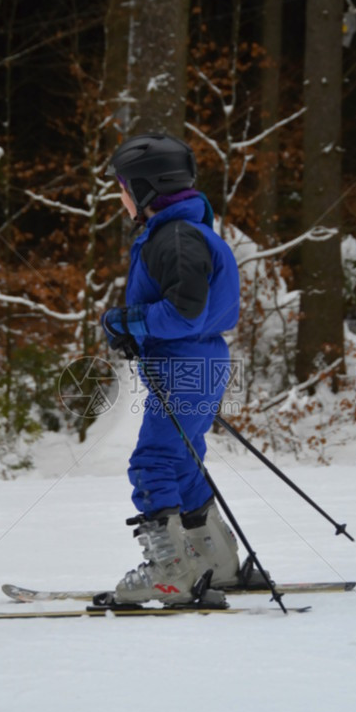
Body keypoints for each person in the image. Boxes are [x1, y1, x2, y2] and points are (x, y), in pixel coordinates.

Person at [101, 133, 242, 606]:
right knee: (182, 459)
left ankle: (171, 572)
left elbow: (183, 314)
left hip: (186, 362)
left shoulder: (175, 238)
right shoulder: (184, 232)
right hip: (198, 360)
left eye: (123, 189)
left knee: (153, 462)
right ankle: (216, 564)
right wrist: (136, 330)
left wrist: (126, 320)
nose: (120, 199)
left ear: (144, 189)